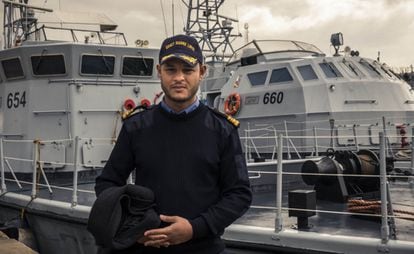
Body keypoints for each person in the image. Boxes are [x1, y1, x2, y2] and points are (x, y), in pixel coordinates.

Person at [95, 34, 252, 253]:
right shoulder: (137, 126)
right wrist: (132, 225)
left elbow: (239, 194)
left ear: (202, 72)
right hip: (143, 246)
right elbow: (107, 183)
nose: (179, 78)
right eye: (171, 70)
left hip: (201, 247)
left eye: (187, 70)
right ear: (159, 71)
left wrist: (194, 228)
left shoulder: (222, 130)